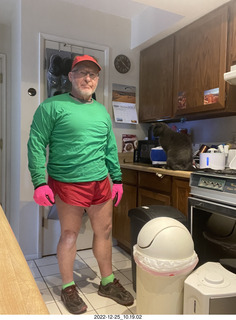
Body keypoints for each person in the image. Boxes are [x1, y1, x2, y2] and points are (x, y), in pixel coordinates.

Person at [27, 55, 134, 314]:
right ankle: (68, 287)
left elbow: (109, 147)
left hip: (100, 182)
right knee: (70, 235)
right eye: (83, 72)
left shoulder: (101, 110)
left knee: (105, 231)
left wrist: (117, 179)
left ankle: (107, 282)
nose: (88, 78)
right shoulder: (51, 106)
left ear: (98, 79)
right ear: (71, 76)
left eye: (94, 74)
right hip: (67, 182)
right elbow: (36, 143)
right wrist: (39, 182)